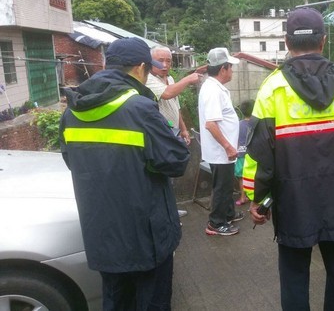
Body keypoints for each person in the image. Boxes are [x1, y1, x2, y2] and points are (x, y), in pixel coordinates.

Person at [243, 7, 334, 310]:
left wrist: (257, 197)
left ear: (287, 42)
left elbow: (259, 154)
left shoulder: (273, 87)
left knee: (294, 277)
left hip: (294, 202)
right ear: (323, 40)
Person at [59, 37, 190, 310]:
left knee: (116, 302)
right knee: (152, 302)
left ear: (108, 64)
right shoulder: (139, 108)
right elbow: (176, 160)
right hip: (146, 236)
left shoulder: (72, 110)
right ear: (142, 67)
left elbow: (73, 161)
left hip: (103, 235)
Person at [147, 45, 202, 218]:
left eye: (168, 61)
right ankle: (164, 212)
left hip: (173, 132)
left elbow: (175, 106)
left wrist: (184, 129)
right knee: (161, 174)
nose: (165, 64)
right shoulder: (148, 79)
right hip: (159, 136)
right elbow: (168, 94)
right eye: (160, 60)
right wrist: (187, 79)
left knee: (170, 173)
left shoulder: (170, 79)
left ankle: (170, 208)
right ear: (150, 61)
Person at [198, 47, 244, 236]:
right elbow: (211, 124)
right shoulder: (212, 90)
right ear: (223, 68)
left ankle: (228, 213)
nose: (232, 71)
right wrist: (227, 146)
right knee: (222, 188)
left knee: (225, 185)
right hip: (221, 151)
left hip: (223, 150)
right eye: (230, 67)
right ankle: (216, 224)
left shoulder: (215, 88)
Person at [234, 99, 254, 206]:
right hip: (253, 155)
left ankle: (242, 197)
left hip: (241, 155)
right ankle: (256, 197)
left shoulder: (238, 124)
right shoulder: (255, 124)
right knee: (255, 176)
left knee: (241, 177)